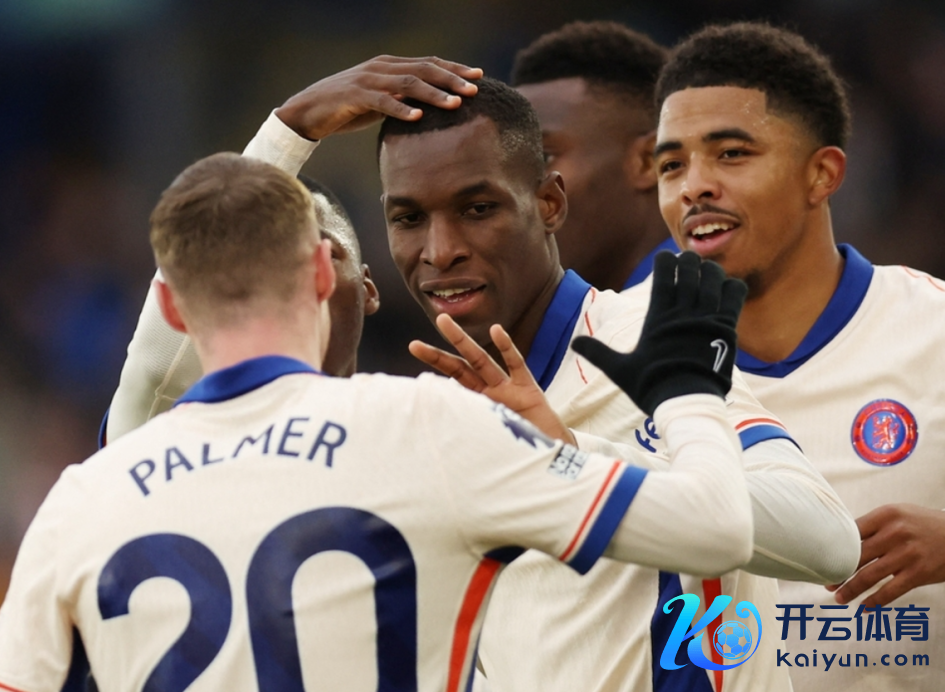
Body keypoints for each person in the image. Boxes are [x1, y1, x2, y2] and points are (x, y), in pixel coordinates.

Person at [0, 150, 760, 690]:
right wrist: (688, 388)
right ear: (325, 273)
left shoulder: (80, 500)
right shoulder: (427, 426)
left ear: (170, 307)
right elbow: (718, 528)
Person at [233, 66, 860, 691]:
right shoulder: (431, 421)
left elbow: (827, 540)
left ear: (549, 203)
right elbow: (193, 347)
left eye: (478, 208)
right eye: (409, 218)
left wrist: (570, 459)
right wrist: (287, 132)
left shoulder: (641, 337)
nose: (440, 249)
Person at [652, 21, 945, 690]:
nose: (694, 186)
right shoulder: (619, 368)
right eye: (672, 165)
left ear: (822, 173)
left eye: (731, 154)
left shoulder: (934, 331)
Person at [102, 173, 380, 443]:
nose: (284, 283)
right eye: (255, 267)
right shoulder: (167, 447)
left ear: (367, 289)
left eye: (320, 253)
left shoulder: (401, 423)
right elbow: (154, 374)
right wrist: (284, 145)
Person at [511, 20, 677, 291]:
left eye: (542, 158)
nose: (507, 189)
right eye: (504, 164)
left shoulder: (722, 307)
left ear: (650, 161)